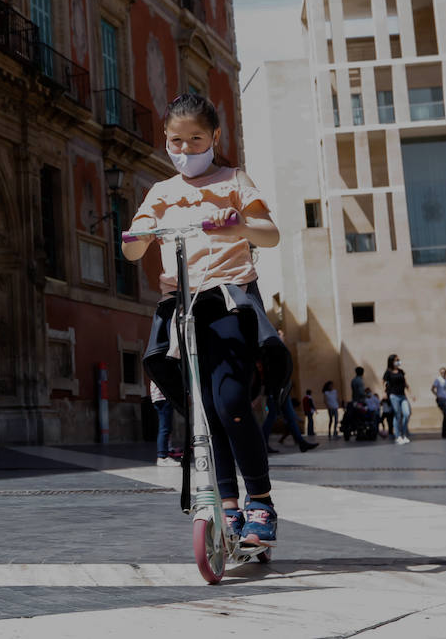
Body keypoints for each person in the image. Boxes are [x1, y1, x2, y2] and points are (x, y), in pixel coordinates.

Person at [126, 93, 286, 549]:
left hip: (228, 299)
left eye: (196, 140)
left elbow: (269, 234)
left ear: (214, 137)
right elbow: (133, 246)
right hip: (182, 304)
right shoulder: (161, 192)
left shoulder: (234, 179)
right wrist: (137, 236)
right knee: (206, 411)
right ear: (166, 141)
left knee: (231, 401)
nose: (186, 149)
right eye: (177, 141)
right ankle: (229, 507)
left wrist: (236, 226)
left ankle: (261, 502)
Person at [383, 354, 413, 444]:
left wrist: (411, 393)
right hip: (394, 396)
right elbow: (384, 383)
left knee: (407, 413)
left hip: (402, 395)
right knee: (397, 415)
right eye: (396, 360)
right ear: (392, 361)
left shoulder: (401, 371)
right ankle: (398, 436)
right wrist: (384, 393)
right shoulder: (388, 372)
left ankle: (404, 434)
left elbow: (405, 383)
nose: (398, 361)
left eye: (398, 360)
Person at [151, 380, 176, 466]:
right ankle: (162, 457)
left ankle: (165, 452)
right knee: (165, 428)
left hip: (158, 397)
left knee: (165, 427)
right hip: (163, 397)